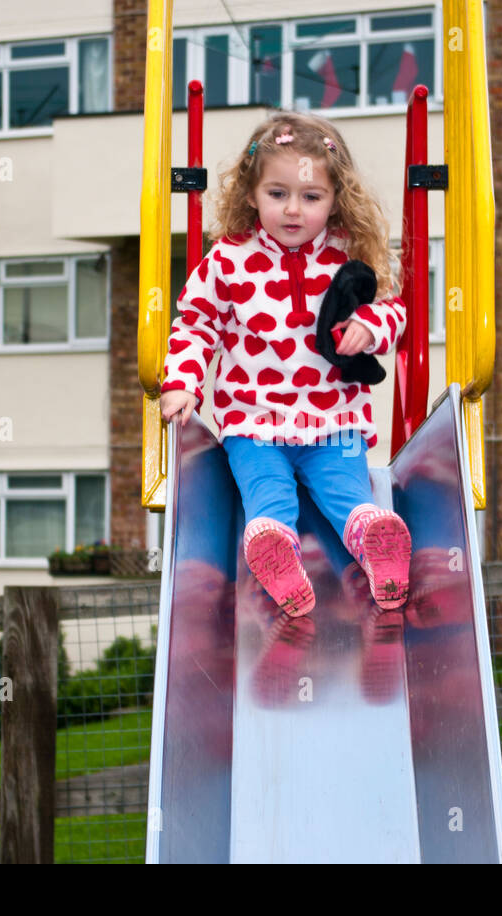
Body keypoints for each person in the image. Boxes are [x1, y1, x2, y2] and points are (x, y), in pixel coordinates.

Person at [160, 111, 411, 618]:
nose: (293, 209)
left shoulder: (348, 256)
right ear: (251, 194)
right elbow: (195, 323)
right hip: (254, 423)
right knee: (267, 499)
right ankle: (277, 554)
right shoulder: (227, 260)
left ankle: (375, 542)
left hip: (332, 420)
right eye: (278, 194)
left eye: (311, 197)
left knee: (348, 496)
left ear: (336, 199)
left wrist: (371, 326)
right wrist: (184, 382)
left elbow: (394, 309)